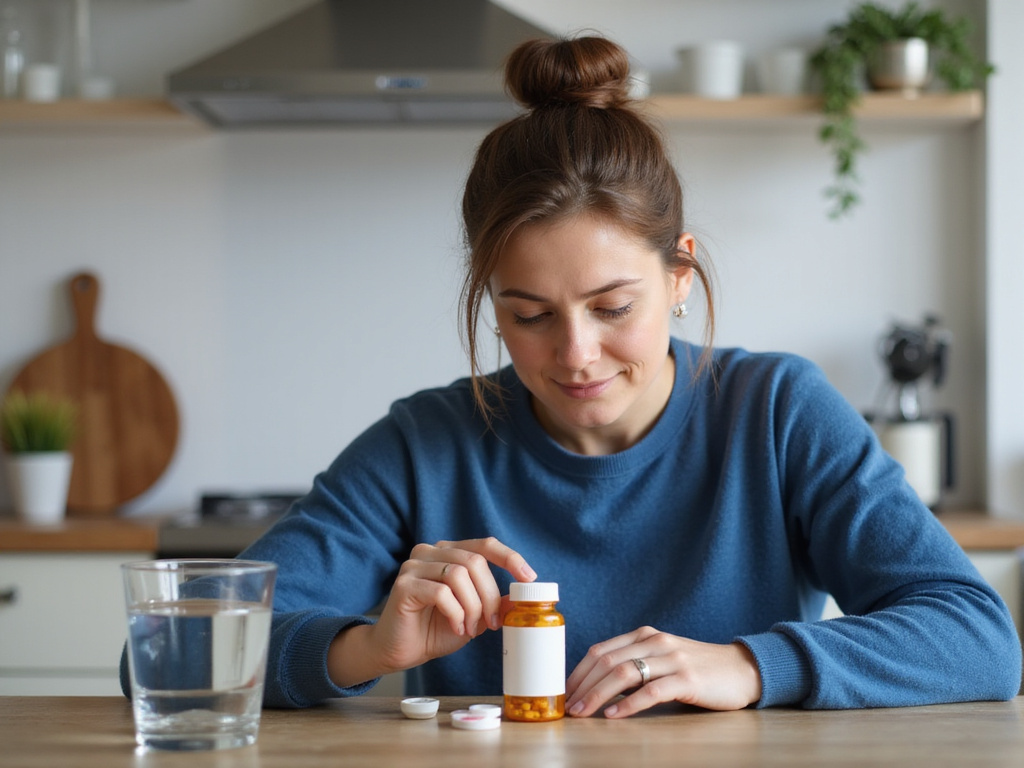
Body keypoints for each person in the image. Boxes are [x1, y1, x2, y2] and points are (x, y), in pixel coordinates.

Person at [236, 36, 1021, 716]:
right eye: (530, 316)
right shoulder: (425, 442)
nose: (576, 354)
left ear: (680, 274)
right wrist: (367, 648)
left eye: (613, 308)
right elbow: (179, 650)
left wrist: (750, 665)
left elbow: (979, 641)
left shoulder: (777, 411)